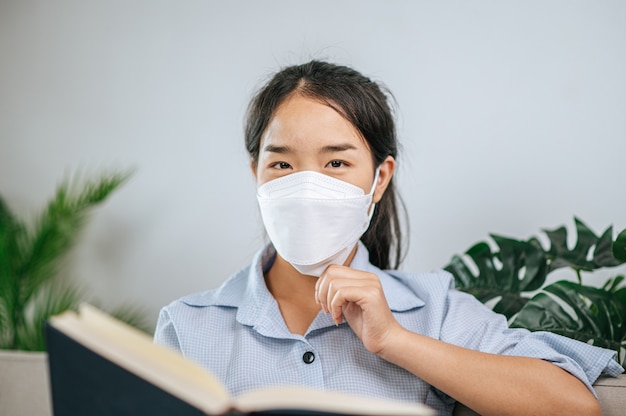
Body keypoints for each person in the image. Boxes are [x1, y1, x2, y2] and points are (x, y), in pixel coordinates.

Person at [154, 60, 623, 416]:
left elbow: (575, 406)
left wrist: (396, 341)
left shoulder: (434, 309)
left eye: (336, 163)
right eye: (281, 164)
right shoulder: (187, 327)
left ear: (379, 179)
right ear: (255, 173)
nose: (306, 185)